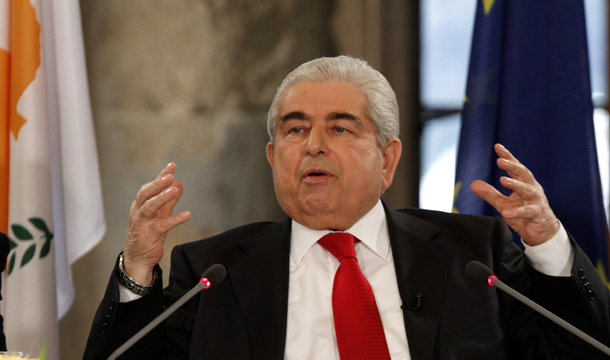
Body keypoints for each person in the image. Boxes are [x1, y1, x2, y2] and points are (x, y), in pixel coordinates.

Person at [84, 56, 610, 359]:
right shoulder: (212, 273)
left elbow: (583, 353)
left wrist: (547, 246)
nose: (313, 144)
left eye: (339, 127)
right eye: (295, 129)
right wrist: (136, 270)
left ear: (388, 158)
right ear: (273, 157)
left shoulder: (475, 256)